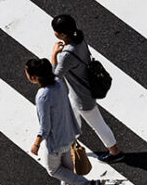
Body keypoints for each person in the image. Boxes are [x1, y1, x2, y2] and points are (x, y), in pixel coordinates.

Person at [26, 58, 102, 185]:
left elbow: (45, 126)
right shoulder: (59, 83)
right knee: (66, 168)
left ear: (35, 77)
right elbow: (56, 74)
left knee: (53, 170)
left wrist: (36, 144)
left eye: (27, 71)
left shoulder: (42, 96)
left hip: (56, 141)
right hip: (69, 133)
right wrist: (54, 58)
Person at [50, 15, 124, 164]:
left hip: (82, 97)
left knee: (98, 125)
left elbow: (54, 76)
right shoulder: (80, 38)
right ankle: (70, 141)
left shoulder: (66, 56)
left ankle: (115, 152)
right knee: (71, 115)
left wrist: (54, 55)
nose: (54, 33)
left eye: (55, 31)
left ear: (63, 34)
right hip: (80, 91)